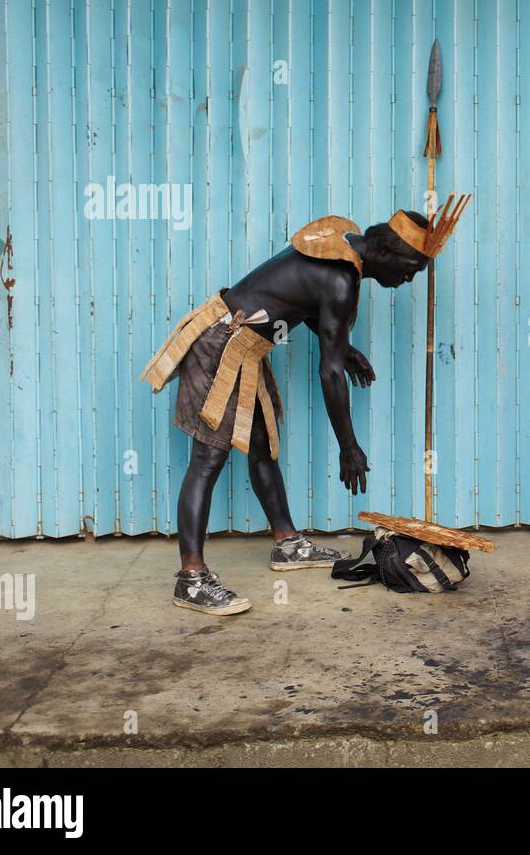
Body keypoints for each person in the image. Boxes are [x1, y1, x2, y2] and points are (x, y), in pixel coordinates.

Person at [141, 211, 432, 615]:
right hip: (221, 345)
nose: (410, 278)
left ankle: (288, 543)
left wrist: (344, 350)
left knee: (261, 446)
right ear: (385, 250)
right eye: (411, 268)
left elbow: (304, 303)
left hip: (244, 346)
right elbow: (328, 372)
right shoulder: (341, 280)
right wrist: (349, 447)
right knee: (207, 460)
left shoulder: (342, 245)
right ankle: (190, 579)